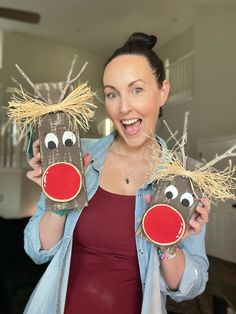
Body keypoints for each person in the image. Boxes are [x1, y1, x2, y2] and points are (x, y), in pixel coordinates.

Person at [24, 32, 210, 314]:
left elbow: (191, 287)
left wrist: (168, 245)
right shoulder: (78, 156)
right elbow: (37, 250)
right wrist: (58, 201)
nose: (124, 108)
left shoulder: (184, 178)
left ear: (163, 92)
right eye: (112, 94)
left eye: (137, 89)